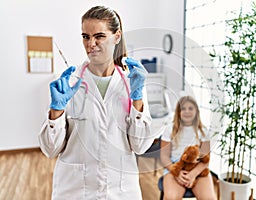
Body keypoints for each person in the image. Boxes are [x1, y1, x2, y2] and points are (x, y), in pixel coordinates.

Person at [38, 6, 155, 200]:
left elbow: (140, 146)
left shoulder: (132, 83)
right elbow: (50, 150)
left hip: (121, 191)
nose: (91, 44)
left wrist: (137, 99)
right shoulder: (69, 82)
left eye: (99, 36)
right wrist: (56, 111)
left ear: (116, 36)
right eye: (85, 36)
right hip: (75, 191)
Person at [160, 96, 216, 200]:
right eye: (183, 109)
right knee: (171, 197)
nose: (187, 111)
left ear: (196, 111)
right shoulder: (169, 129)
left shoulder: (203, 131)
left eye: (190, 108)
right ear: (178, 112)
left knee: (209, 198)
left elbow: (206, 160)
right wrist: (177, 173)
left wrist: (192, 174)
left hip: (198, 168)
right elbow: (164, 156)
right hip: (175, 167)